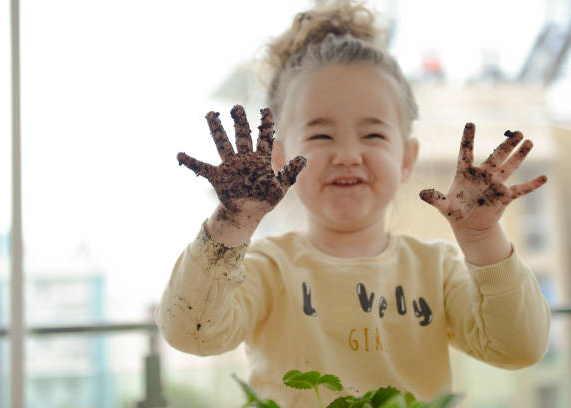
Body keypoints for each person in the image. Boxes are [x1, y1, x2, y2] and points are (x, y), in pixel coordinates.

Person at [155, 1, 551, 406]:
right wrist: (231, 222)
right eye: (322, 136)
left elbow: (519, 347)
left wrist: (482, 237)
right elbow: (190, 332)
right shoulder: (269, 268)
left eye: (374, 136)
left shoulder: (437, 270)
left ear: (406, 159)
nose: (346, 154)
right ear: (278, 160)